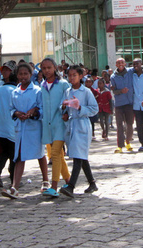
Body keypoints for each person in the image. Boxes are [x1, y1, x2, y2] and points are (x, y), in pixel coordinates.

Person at [2, 63, 47, 199]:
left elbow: (42, 108)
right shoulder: (14, 92)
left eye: (25, 74)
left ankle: (45, 181)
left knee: (40, 154)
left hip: (34, 127)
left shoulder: (37, 91)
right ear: (17, 75)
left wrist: (34, 112)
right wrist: (16, 113)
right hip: (20, 129)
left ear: (31, 74)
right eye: (20, 74)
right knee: (20, 156)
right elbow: (11, 109)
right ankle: (15, 187)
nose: (23, 76)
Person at [59, 66, 99, 197]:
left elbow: (94, 109)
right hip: (71, 126)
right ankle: (92, 183)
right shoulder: (67, 91)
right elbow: (62, 107)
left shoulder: (86, 92)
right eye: (69, 75)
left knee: (78, 157)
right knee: (81, 156)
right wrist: (64, 110)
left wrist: (80, 108)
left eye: (74, 75)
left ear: (81, 76)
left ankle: (71, 186)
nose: (71, 78)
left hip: (82, 125)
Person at [39, 57, 71, 198]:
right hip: (48, 125)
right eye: (44, 68)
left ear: (55, 68)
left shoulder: (63, 84)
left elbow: (70, 101)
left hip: (60, 123)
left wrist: (66, 112)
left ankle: (54, 186)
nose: (46, 70)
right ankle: (69, 182)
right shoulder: (42, 86)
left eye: (49, 68)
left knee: (55, 153)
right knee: (59, 155)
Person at [109, 58, 135, 153]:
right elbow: (114, 91)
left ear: (125, 63)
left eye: (122, 62)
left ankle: (128, 142)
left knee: (129, 124)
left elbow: (142, 67)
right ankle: (120, 146)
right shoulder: (113, 76)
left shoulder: (130, 72)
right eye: (118, 63)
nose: (120, 64)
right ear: (116, 65)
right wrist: (121, 91)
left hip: (129, 103)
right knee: (119, 125)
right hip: (119, 104)